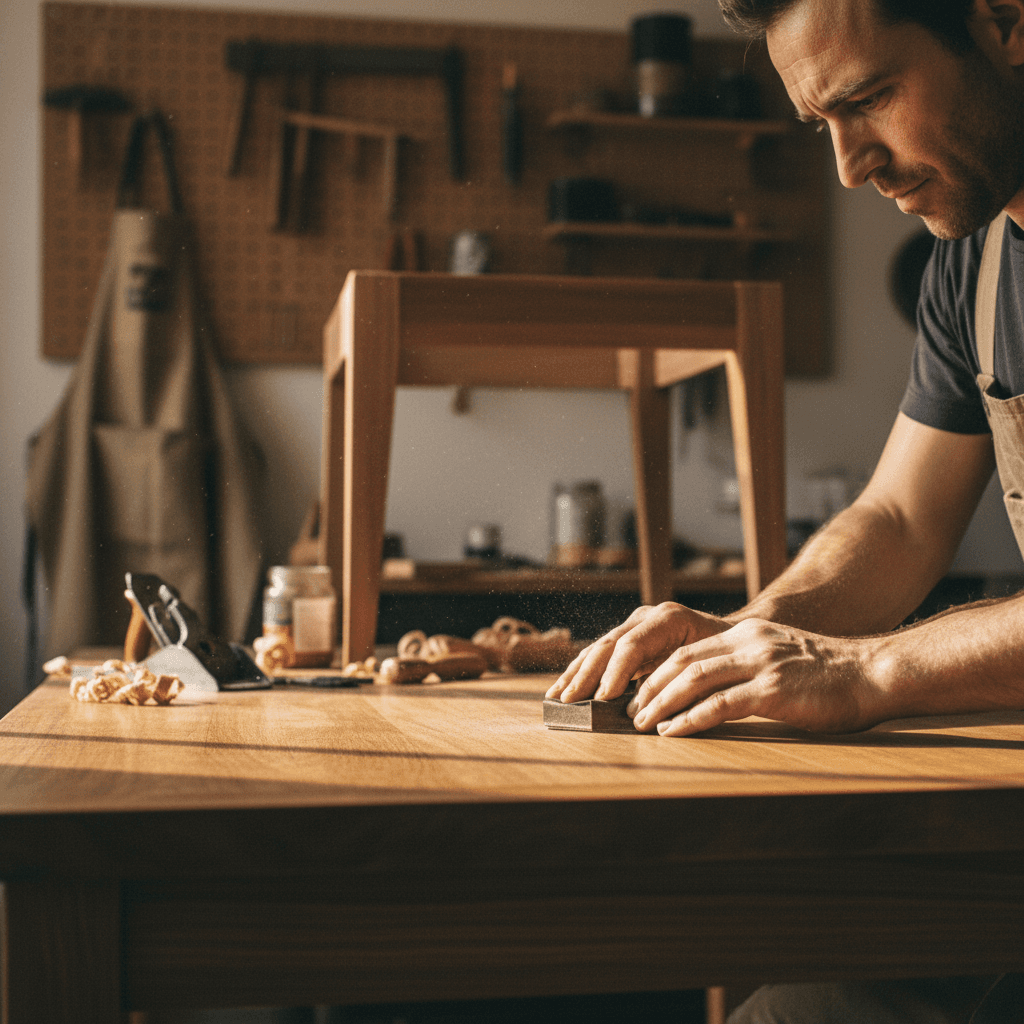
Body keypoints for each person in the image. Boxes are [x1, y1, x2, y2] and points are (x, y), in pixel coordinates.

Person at [545, 0, 1024, 1019]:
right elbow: (897, 517)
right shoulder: (975, 259)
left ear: (1002, 23)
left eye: (869, 99)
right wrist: (754, 632)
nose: (852, 167)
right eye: (823, 126)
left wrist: (866, 670)